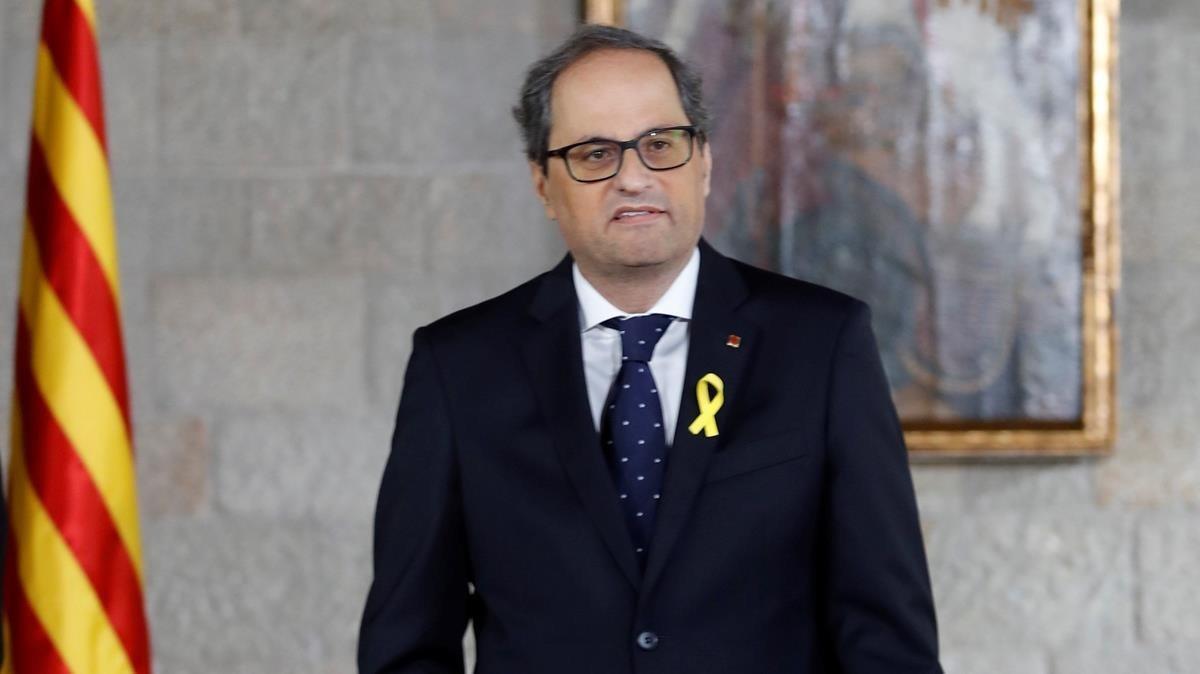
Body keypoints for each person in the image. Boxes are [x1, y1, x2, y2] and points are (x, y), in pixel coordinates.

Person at [358, 24, 942, 674]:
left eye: (660, 144)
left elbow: (890, 641)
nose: (633, 178)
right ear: (543, 183)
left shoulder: (823, 345)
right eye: (594, 154)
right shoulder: (458, 367)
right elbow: (406, 645)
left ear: (706, 161)